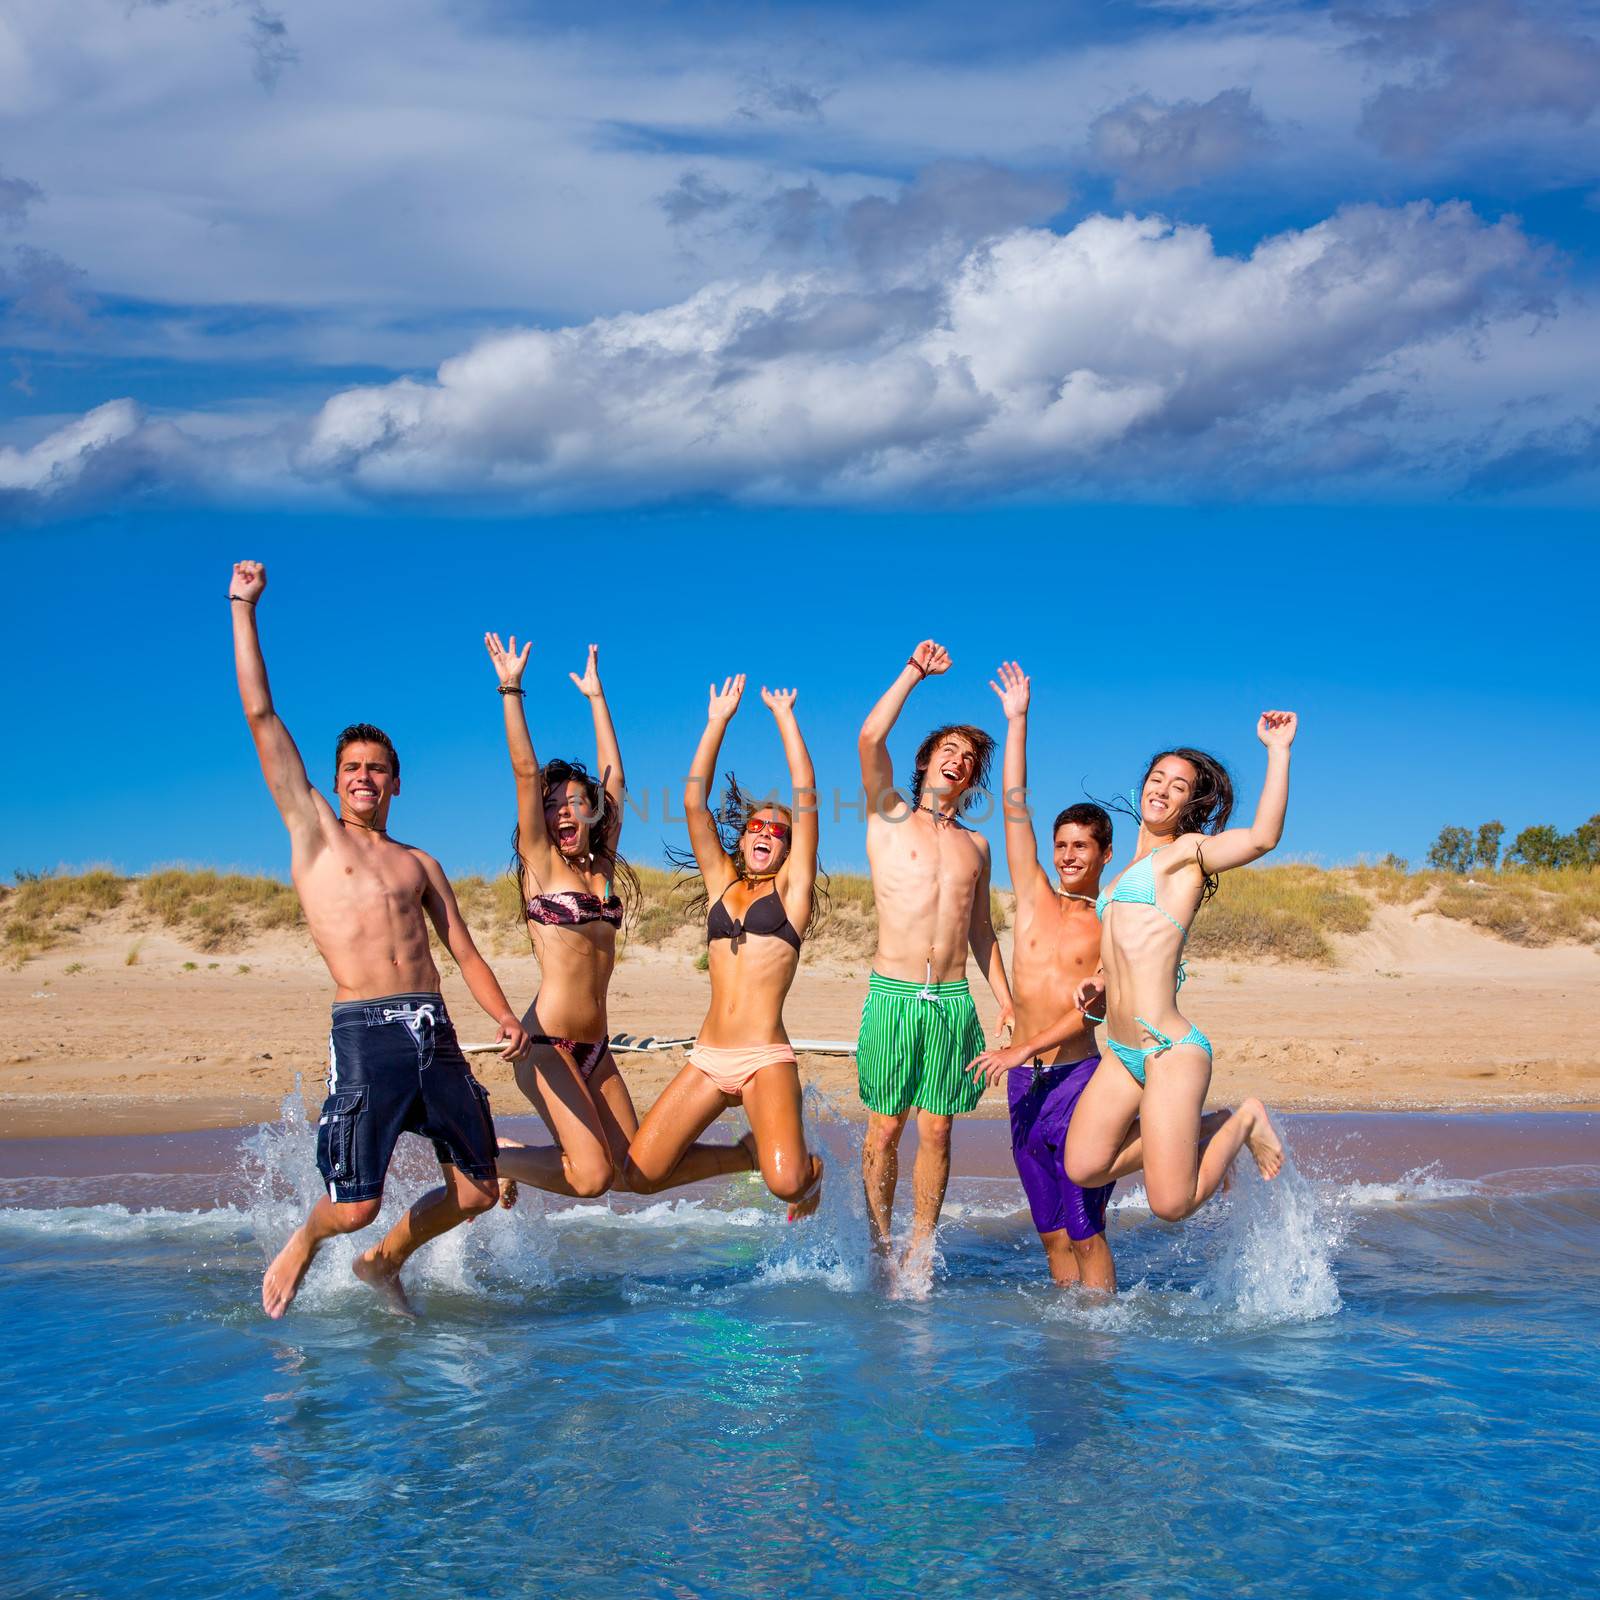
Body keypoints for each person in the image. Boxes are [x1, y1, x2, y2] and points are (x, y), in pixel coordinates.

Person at [231, 562, 531, 1320]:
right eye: (352, 769)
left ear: (397, 782)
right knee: (355, 1204)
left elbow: (463, 950)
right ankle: (309, 1237)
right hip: (366, 1031)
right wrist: (244, 607)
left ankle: (385, 1262)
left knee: (478, 1189)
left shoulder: (419, 862)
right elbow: (263, 718)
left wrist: (504, 1018)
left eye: (377, 769)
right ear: (334, 782)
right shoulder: (315, 835)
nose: (364, 777)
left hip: (435, 1031)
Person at [482, 632, 737, 1203]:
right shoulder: (541, 863)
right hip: (545, 1042)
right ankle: (492, 1157)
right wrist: (511, 688)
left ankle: (513, 1159)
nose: (564, 811)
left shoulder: (601, 866)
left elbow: (615, 781)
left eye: (575, 801)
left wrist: (597, 697)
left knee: (635, 1173)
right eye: (553, 805)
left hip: (596, 1046)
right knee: (592, 1177)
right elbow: (526, 773)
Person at [1064, 715, 1295, 1222]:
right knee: (1083, 1165)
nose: (1163, 791)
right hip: (1121, 1050)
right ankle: (1204, 1129)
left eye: (1178, 787)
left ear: (1190, 804)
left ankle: (1245, 1121)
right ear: (1141, 786)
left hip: (1167, 1049)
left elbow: (1261, 838)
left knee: (1171, 1204)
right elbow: (1131, 944)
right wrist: (1100, 981)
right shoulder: (1123, 871)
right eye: (1157, 780)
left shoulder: (1185, 856)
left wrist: (1278, 750)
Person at [622, 676, 824, 1219]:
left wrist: (785, 716)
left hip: (764, 1058)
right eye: (756, 826)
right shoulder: (722, 885)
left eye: (777, 832)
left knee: (787, 1186)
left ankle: (809, 1170)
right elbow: (694, 803)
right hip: (708, 1057)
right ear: (742, 837)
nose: (765, 833)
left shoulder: (792, 894)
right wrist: (717, 721)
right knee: (640, 1175)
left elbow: (806, 797)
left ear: (787, 847)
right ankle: (745, 1155)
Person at [855, 640, 1014, 1280]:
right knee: (886, 1129)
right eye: (948, 751)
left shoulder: (978, 846)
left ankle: (920, 1252)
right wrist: (913, 673)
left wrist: (1005, 999)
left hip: (951, 1000)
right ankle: (877, 1249)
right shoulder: (888, 813)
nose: (959, 761)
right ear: (926, 763)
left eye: (969, 759)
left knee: (939, 1132)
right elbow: (869, 737)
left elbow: (981, 931)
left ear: (973, 780)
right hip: (894, 995)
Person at [964, 661, 1119, 1291]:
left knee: (1085, 1228)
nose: (1068, 856)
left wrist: (1023, 1044)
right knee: (1051, 1232)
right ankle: (1071, 1345)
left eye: (1081, 846)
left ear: (1104, 853)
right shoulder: (1031, 895)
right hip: (1023, 1084)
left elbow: (1097, 1008)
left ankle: (1104, 1337)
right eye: (1062, 845)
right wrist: (1017, 721)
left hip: (1078, 1078)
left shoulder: (1112, 920)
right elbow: (1014, 808)